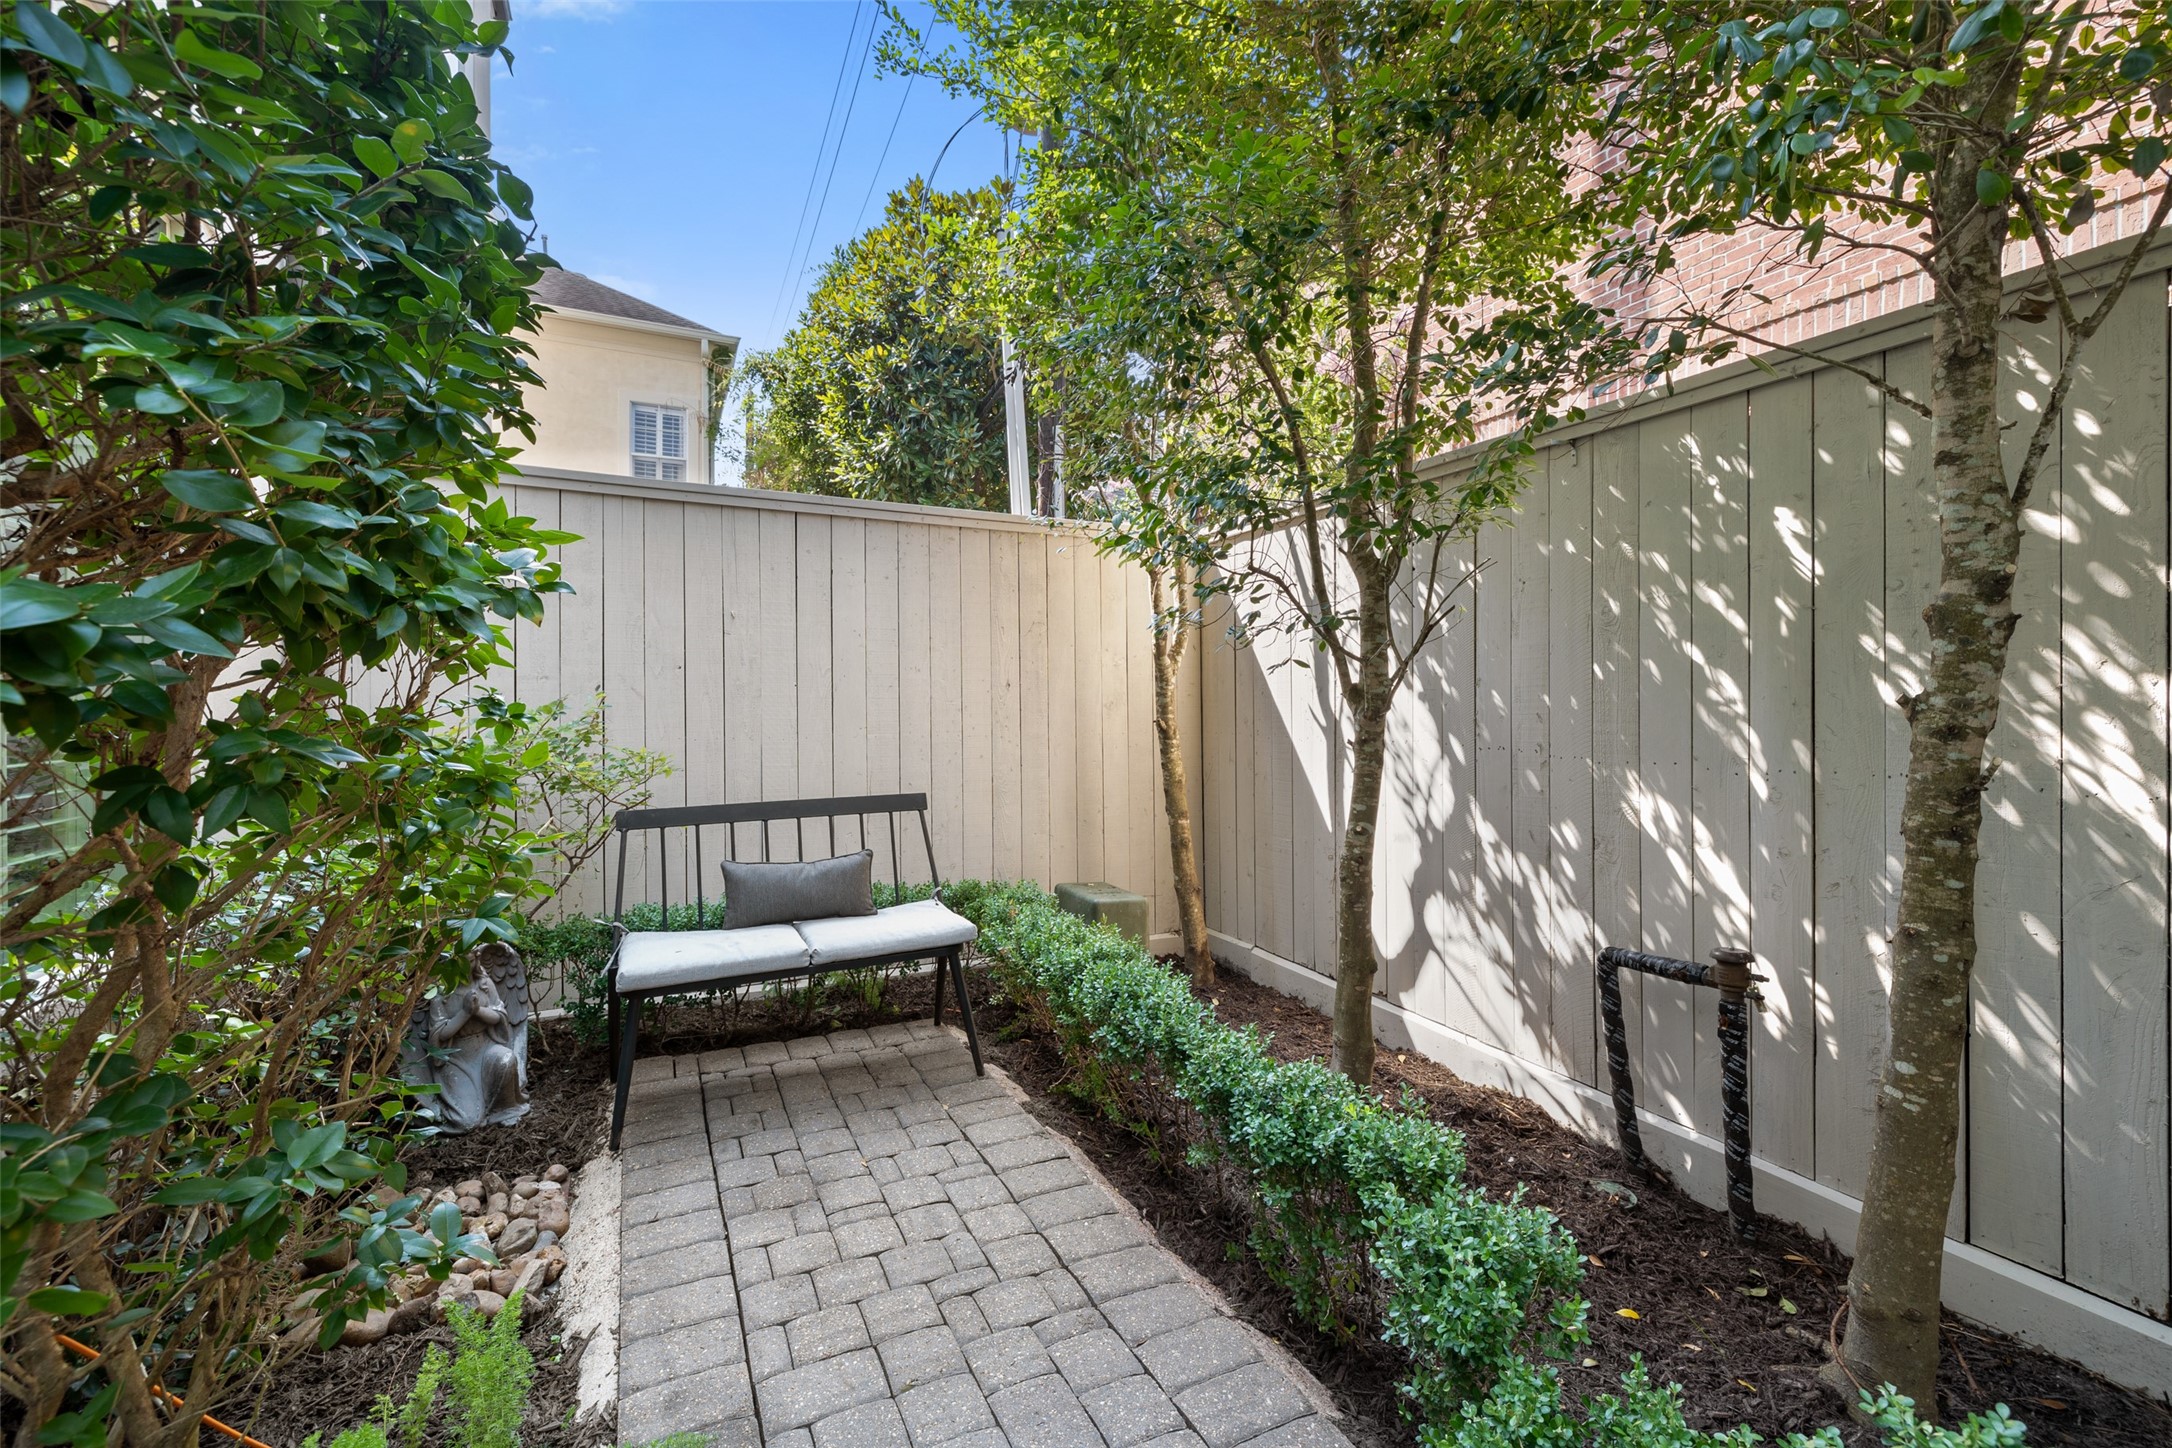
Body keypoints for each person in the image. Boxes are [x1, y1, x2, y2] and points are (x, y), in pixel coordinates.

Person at [405, 943, 531, 1132]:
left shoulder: (485, 985)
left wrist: (478, 1010)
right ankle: (462, 1110)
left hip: (486, 1047)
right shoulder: (440, 992)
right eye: (459, 962)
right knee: (467, 1121)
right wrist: (464, 1013)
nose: (465, 967)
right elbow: (440, 1034)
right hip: (456, 1058)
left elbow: (500, 1017)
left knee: (506, 1060)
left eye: (470, 961)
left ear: (476, 960)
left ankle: (501, 1109)